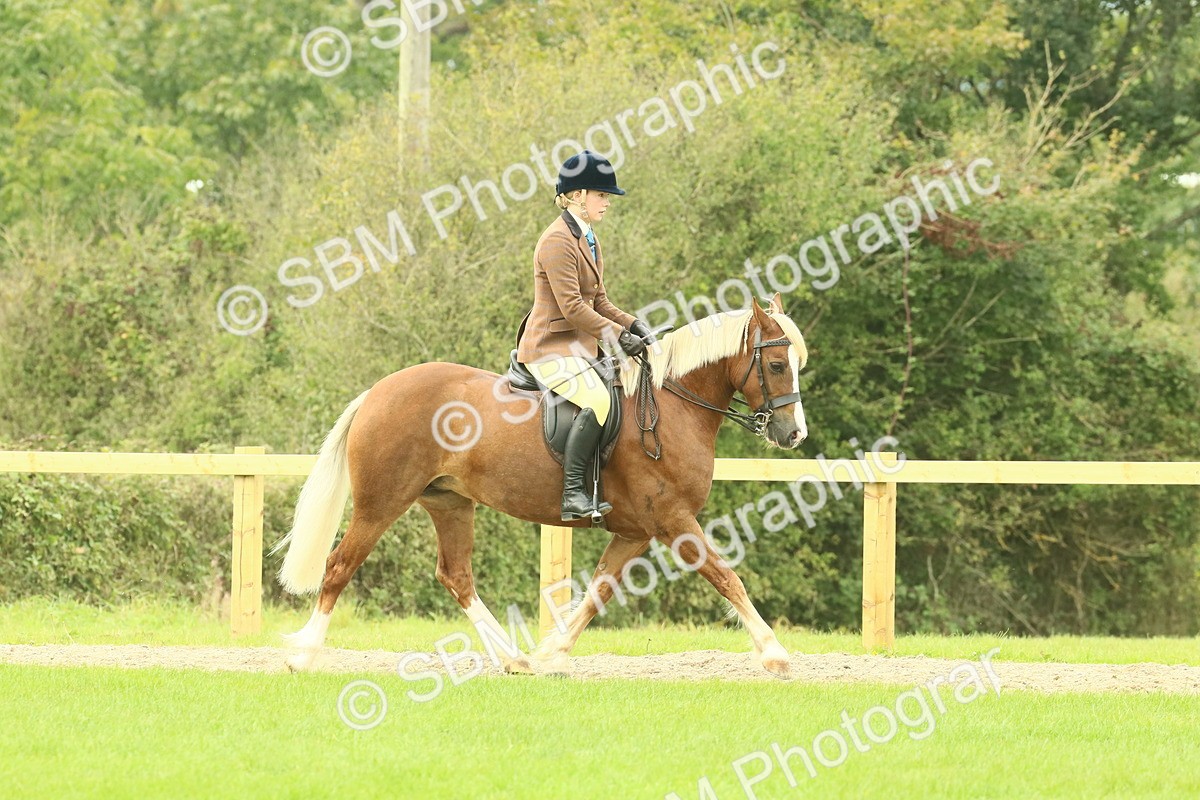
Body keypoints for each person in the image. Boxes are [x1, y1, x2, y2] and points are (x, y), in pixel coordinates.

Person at [515, 150, 655, 521]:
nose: (606, 203)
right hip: (549, 348)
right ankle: (573, 493)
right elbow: (574, 307)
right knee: (599, 400)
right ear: (577, 195)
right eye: (602, 195)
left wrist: (633, 324)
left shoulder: (588, 236)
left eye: (607, 197)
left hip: (577, 348)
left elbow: (601, 300)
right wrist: (617, 338)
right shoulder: (557, 241)